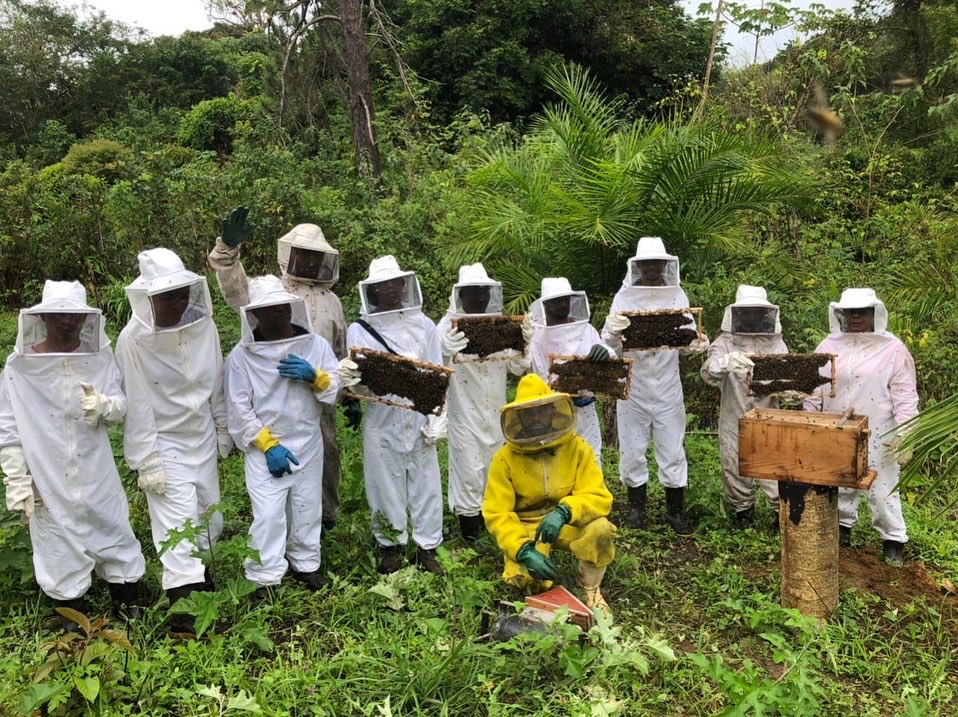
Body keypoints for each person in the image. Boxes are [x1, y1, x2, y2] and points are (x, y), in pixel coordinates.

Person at [0, 281, 147, 627]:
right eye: (59, 315)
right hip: (46, 470)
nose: (67, 322)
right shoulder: (19, 367)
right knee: (55, 537)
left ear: (86, 320)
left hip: (95, 466)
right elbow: (8, 427)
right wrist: (17, 480)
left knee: (112, 524)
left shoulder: (99, 356)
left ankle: (127, 599)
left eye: (74, 316)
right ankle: (71, 614)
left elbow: (121, 404)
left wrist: (104, 406)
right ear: (45, 318)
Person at [209, 208, 353, 531]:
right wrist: (227, 250)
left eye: (315, 257)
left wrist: (348, 391)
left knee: (326, 454)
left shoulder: (332, 302)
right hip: (273, 397)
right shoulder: (270, 288)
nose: (309, 263)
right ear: (290, 256)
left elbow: (340, 353)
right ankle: (280, 527)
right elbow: (235, 287)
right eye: (303, 255)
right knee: (274, 469)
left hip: (319, 393)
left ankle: (322, 519)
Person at [116, 249, 230, 635]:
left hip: (201, 437)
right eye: (167, 296)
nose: (177, 302)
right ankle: (184, 613)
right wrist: (147, 460)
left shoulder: (204, 328)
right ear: (148, 298)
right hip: (164, 444)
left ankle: (200, 581)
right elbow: (137, 403)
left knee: (210, 518)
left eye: (182, 293)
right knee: (176, 523)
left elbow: (215, 381)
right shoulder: (132, 340)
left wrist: (222, 427)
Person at [224, 275, 340, 594]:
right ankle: (264, 577)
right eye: (269, 309)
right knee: (269, 514)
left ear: (292, 308)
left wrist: (316, 377)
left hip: (308, 440)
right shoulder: (240, 357)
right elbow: (238, 408)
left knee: (306, 506)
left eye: (282, 307)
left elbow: (335, 388)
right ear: (255, 315)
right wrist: (267, 445)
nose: (277, 313)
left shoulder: (315, 345)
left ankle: (306, 564)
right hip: (266, 448)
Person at [338, 256, 446, 575]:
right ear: (372, 291)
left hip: (419, 415)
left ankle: (428, 548)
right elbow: (363, 378)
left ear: (404, 284)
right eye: (383, 285)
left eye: (395, 283)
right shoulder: (360, 329)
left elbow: (438, 375)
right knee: (383, 481)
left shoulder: (424, 325)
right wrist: (352, 379)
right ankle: (391, 546)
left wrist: (439, 417)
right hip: (382, 416)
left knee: (426, 481)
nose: (391, 289)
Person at [601, 237, 709, 535]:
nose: (651, 269)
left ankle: (675, 512)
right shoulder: (623, 297)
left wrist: (697, 342)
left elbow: (687, 339)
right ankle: (637, 509)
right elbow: (608, 345)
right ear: (637, 265)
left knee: (672, 449)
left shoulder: (677, 295)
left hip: (667, 387)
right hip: (632, 385)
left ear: (665, 265)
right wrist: (610, 333)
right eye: (646, 263)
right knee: (632, 449)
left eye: (656, 263)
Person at [482, 374, 616, 612]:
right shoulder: (504, 459)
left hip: (566, 521)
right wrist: (522, 549)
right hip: (526, 527)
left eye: (541, 411)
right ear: (518, 417)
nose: (535, 418)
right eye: (528, 413)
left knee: (600, 530)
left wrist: (565, 511)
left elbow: (597, 495)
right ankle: (536, 575)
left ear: (553, 411)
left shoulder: (577, 449)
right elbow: (497, 513)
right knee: (526, 581)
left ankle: (591, 588)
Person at [804, 288, 918, 566]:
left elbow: (904, 394)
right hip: (836, 425)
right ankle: (841, 531)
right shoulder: (829, 344)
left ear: (874, 314)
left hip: (880, 430)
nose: (855, 317)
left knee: (883, 487)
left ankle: (893, 540)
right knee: (839, 481)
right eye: (850, 312)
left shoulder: (893, 349)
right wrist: (809, 419)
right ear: (840, 314)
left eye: (862, 311)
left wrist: (907, 432)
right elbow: (813, 387)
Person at [437, 264, 530, 544]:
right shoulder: (446, 326)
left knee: (496, 468)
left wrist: (525, 340)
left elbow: (518, 367)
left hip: (497, 411)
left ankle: (495, 525)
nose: (479, 299)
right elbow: (434, 368)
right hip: (463, 412)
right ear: (460, 296)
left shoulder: (500, 325)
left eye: (483, 293)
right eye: (472, 293)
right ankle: (470, 536)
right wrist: (444, 349)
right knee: (468, 470)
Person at [700, 285, 786, 529]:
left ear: (764, 314)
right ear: (736, 314)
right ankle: (742, 513)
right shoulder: (725, 342)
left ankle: (779, 515)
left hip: (770, 414)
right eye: (745, 312)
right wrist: (724, 363)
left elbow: (788, 375)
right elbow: (708, 373)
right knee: (734, 463)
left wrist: (788, 389)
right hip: (734, 413)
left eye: (755, 312)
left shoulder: (776, 343)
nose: (750, 317)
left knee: (773, 463)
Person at [527, 277, 613, 462]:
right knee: (558, 467)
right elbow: (537, 376)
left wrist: (606, 351)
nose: (561, 304)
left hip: (586, 412)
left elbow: (609, 359)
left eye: (564, 299)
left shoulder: (587, 330)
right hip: (551, 415)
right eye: (556, 300)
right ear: (545, 304)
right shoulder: (536, 337)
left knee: (591, 461)